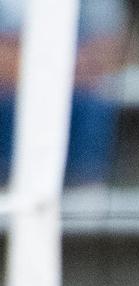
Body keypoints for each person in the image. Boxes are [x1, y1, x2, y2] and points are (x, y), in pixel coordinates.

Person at [0, 0, 129, 186]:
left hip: (75, 94)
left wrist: (34, 63)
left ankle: (84, 192)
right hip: (9, 97)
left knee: (90, 104)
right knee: (22, 101)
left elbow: (119, 49)